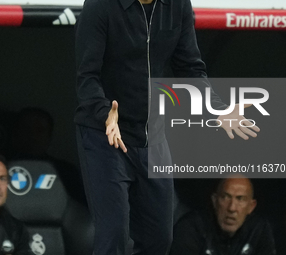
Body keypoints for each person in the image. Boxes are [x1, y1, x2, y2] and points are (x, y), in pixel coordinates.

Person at [75, 0, 260, 254]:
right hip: (106, 135)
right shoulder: (101, 5)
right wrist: (104, 113)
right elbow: (87, 76)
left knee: (159, 239)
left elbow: (190, 67)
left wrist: (217, 107)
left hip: (153, 137)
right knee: (114, 236)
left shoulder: (178, 5)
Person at [170, 176, 276, 255]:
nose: (232, 208)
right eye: (225, 197)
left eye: (240, 199)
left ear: (251, 206)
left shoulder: (259, 229)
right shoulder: (191, 227)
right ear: (215, 201)